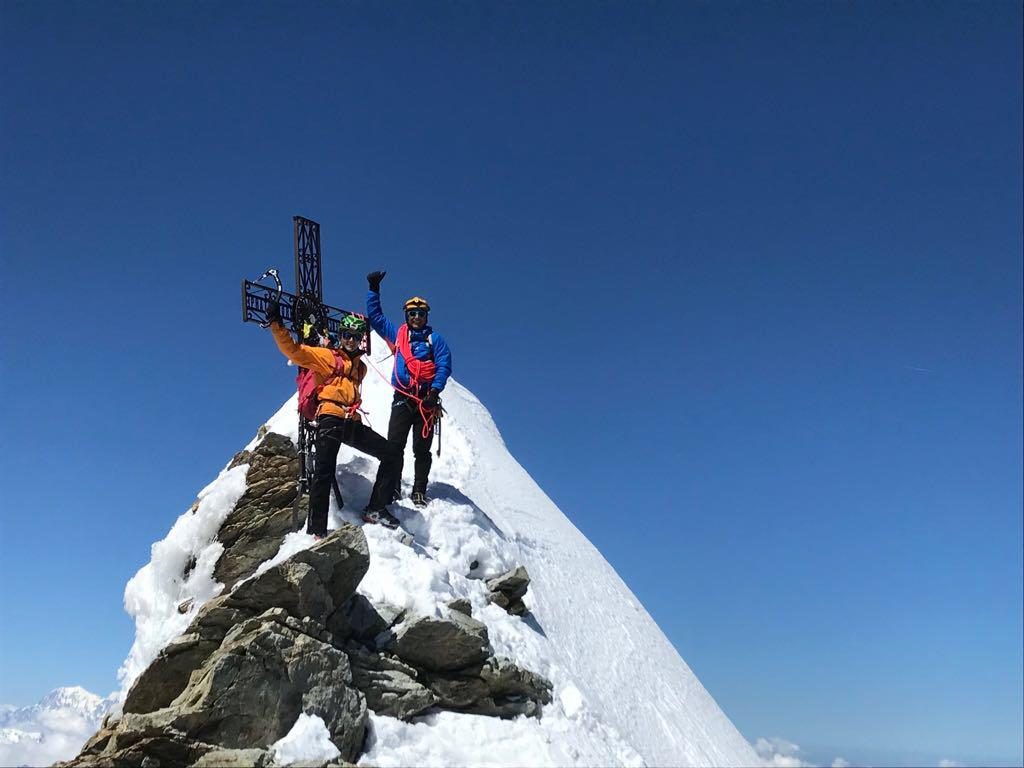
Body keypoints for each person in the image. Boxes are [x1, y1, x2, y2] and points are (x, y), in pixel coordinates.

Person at [266, 301, 401, 534]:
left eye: (355, 336)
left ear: (361, 339)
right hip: (329, 417)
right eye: (347, 335)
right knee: (324, 471)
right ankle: (317, 531)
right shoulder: (326, 357)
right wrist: (277, 325)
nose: (351, 340)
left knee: (391, 454)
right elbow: (294, 351)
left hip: (350, 420)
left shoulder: (361, 368)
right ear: (341, 336)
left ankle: (376, 508)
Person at [365, 270, 452, 508]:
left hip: (426, 401)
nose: (416, 316)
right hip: (403, 397)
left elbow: (444, 365)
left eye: (420, 313)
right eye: (412, 313)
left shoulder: (436, 340)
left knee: (421, 449)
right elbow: (376, 318)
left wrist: (434, 392)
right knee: (395, 445)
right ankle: (393, 486)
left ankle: (419, 490)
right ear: (406, 315)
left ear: (426, 316)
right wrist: (374, 289)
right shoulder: (399, 334)